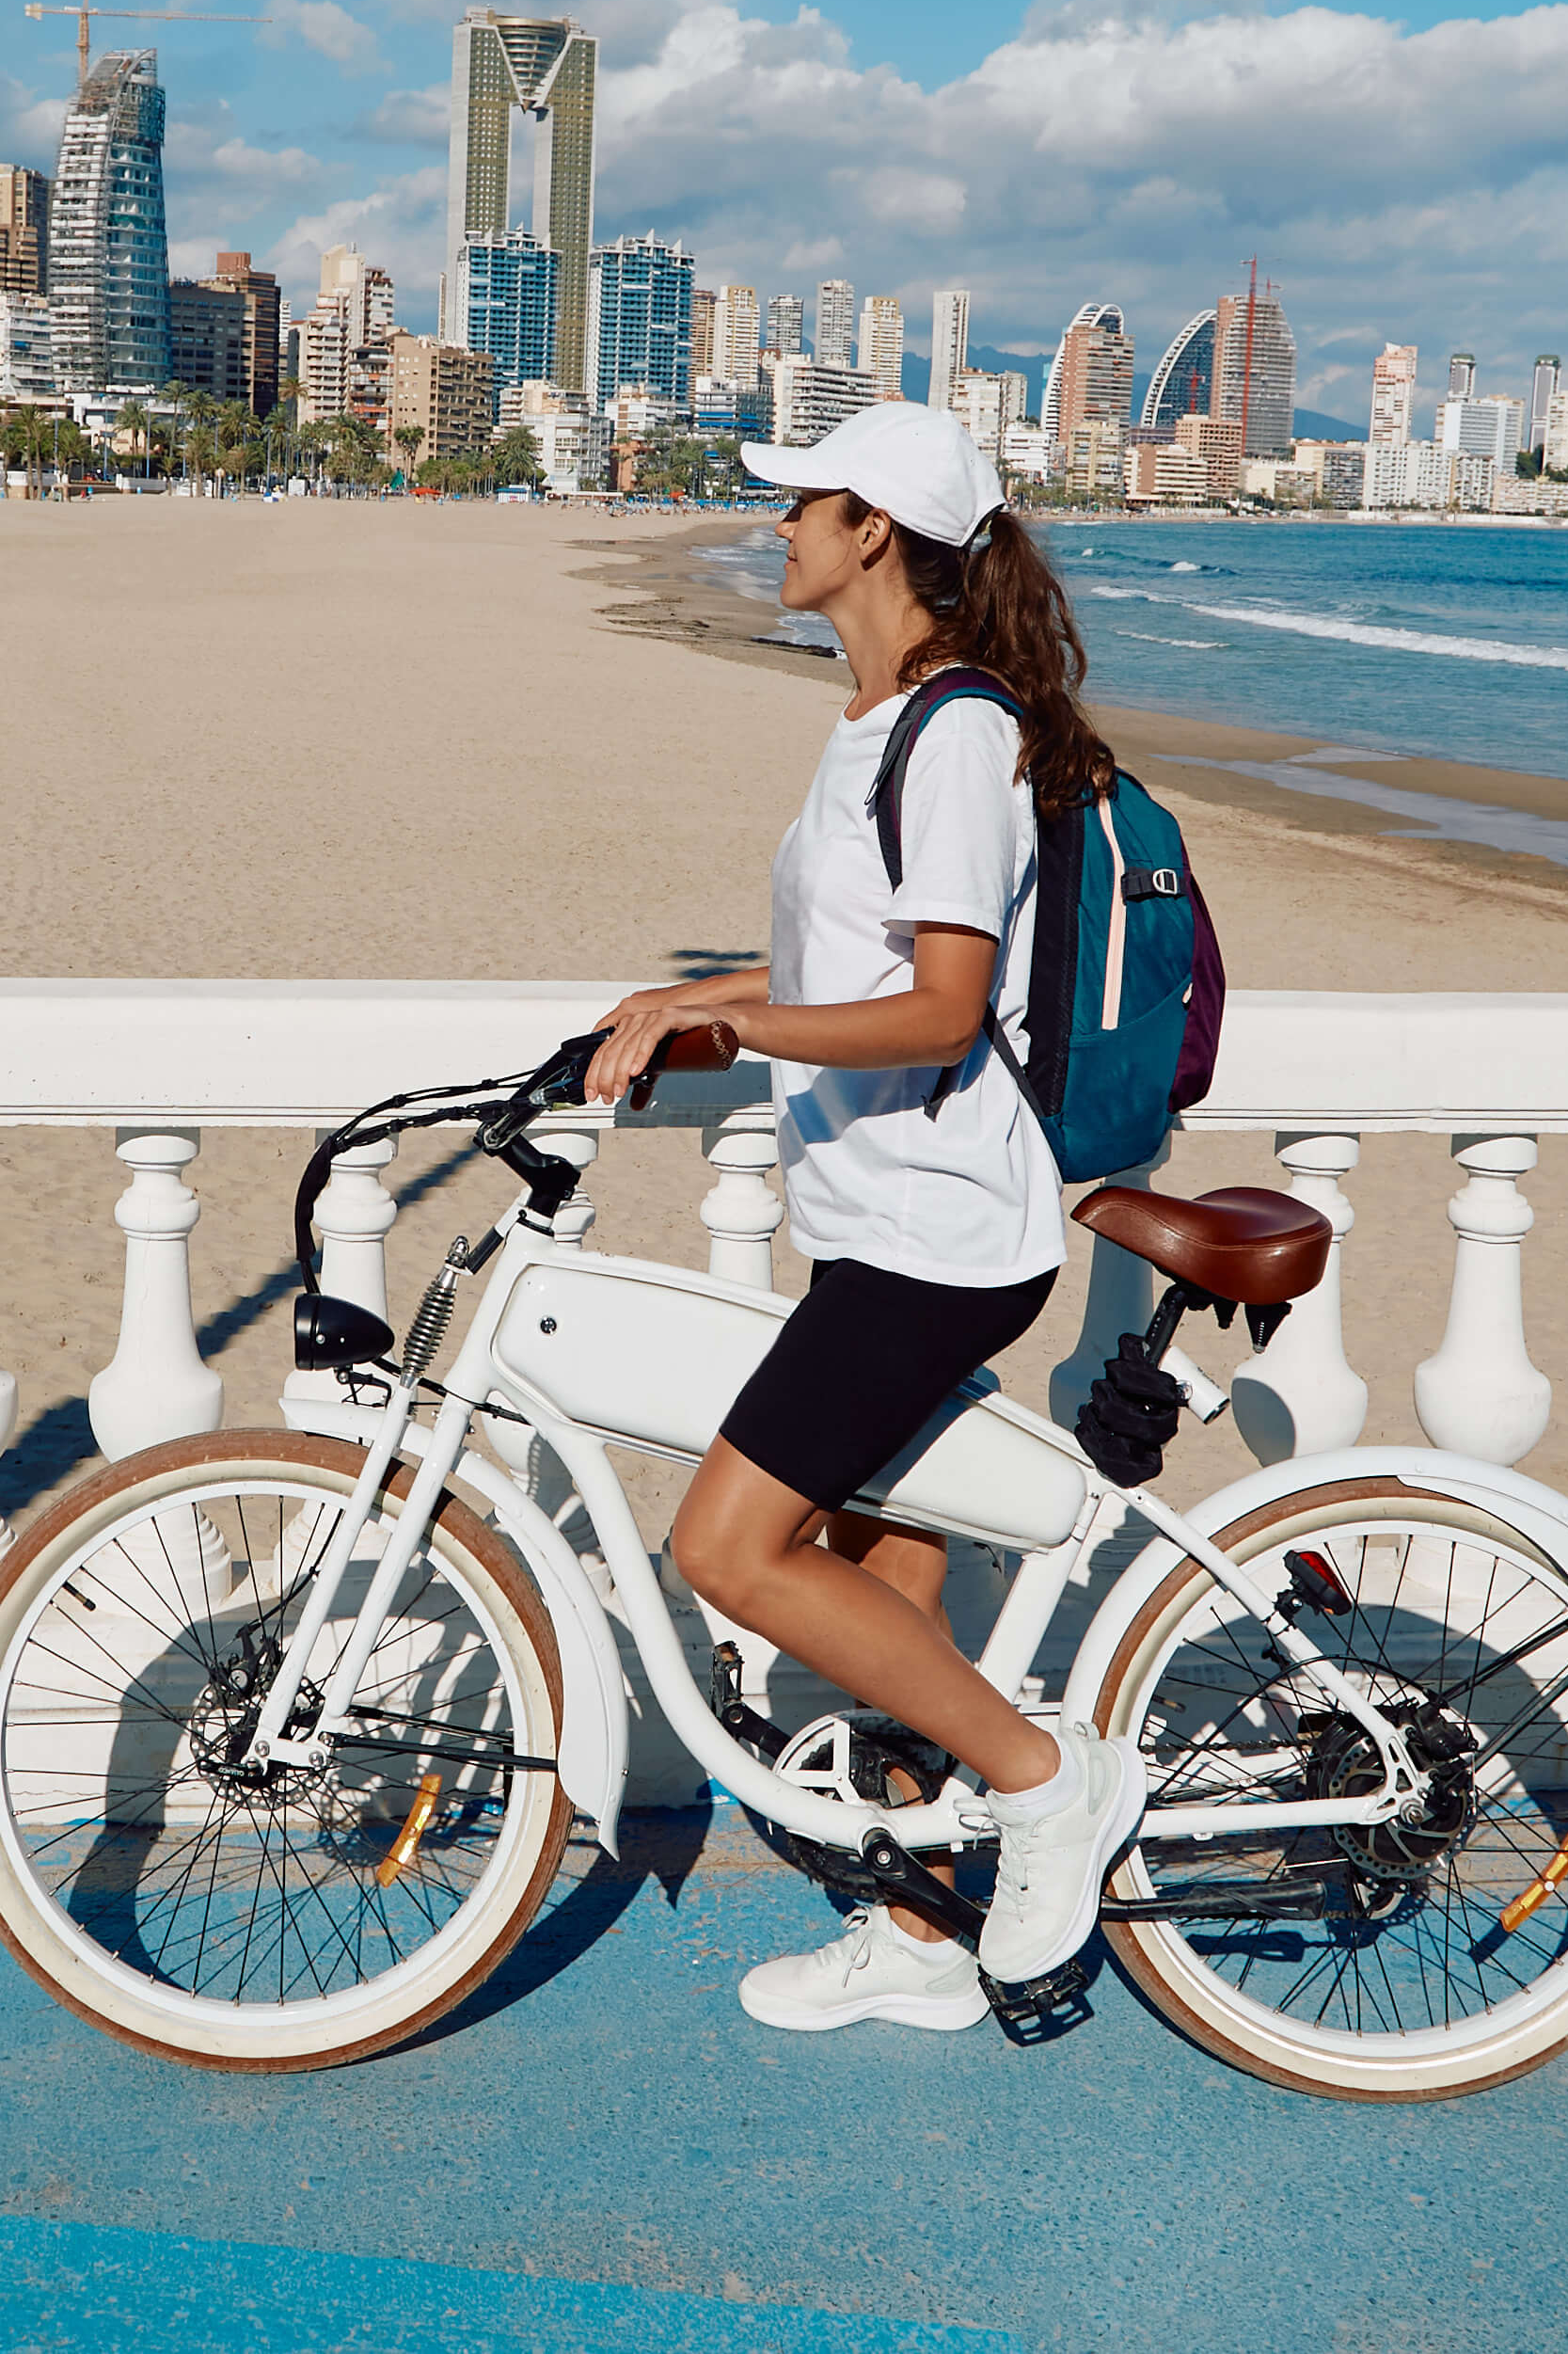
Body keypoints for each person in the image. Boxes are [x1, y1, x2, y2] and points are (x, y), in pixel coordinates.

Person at [580, 399, 1148, 2035]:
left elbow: (945, 1007)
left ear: (875, 535)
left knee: (727, 1545)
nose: (779, 530)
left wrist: (746, 1029)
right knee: (877, 1569)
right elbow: (860, 970)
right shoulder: (879, 720)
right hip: (879, 1218)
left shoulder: (953, 732)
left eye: (801, 507)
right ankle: (918, 1923)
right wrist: (698, 994)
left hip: (943, 1240)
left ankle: (1051, 1782)